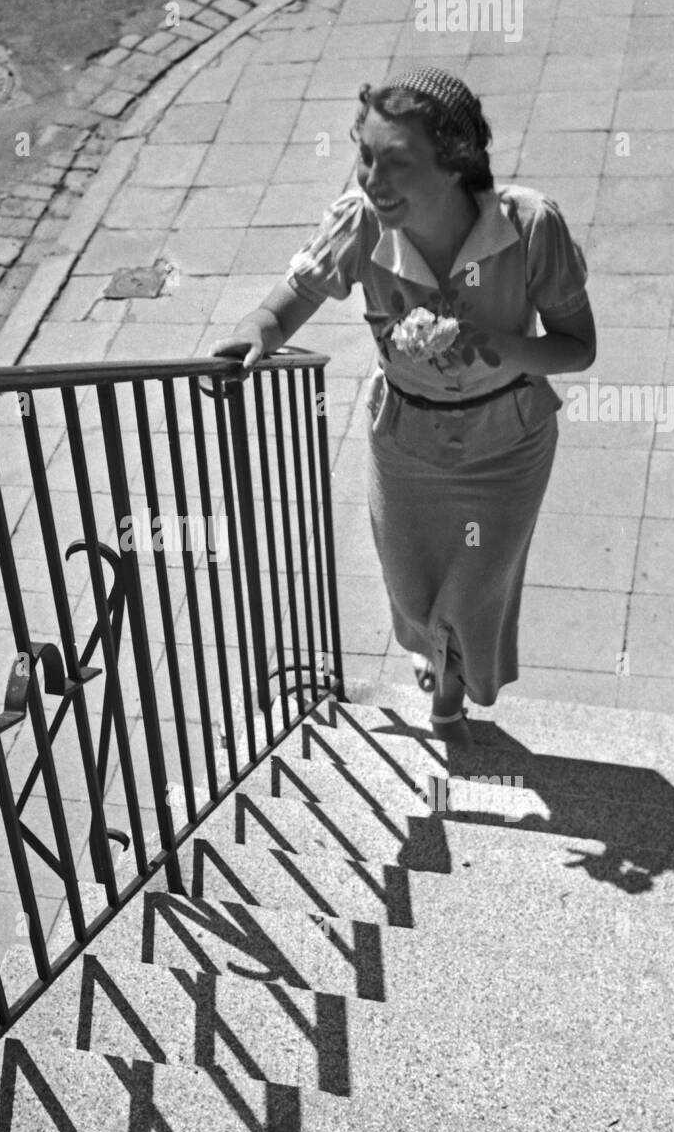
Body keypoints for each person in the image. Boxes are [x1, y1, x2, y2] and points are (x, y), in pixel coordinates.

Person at [209, 66, 596, 749]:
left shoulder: (531, 225)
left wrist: (498, 346)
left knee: (475, 592)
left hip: (508, 443)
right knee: (411, 589)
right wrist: (256, 332)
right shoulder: (362, 222)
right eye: (365, 155)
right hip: (405, 440)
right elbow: (289, 300)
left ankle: (450, 689)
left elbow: (576, 348)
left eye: (397, 162)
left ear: (455, 165)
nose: (371, 179)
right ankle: (435, 658)